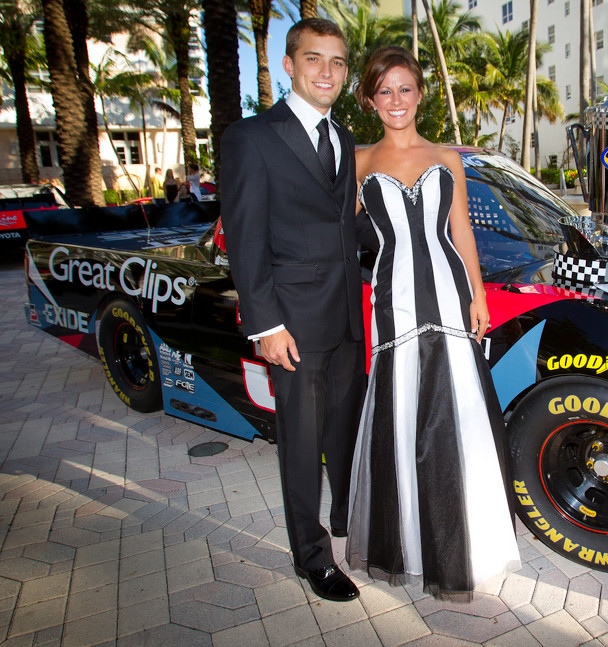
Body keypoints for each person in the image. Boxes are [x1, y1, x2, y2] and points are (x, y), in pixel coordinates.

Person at [347, 45, 520, 600]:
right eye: (384, 90)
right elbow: (329, 236)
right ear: (370, 99)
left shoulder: (447, 157)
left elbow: (461, 229)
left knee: (457, 415)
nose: (396, 100)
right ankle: (412, 545)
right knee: (403, 419)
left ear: (420, 94)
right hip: (394, 298)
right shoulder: (358, 162)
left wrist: (477, 295)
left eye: (405, 88)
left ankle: (475, 541)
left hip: (449, 296)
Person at [219, 18, 366, 603]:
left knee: (344, 434)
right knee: (303, 449)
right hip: (293, 326)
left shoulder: (344, 137)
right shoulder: (252, 137)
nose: (326, 71)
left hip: (347, 319)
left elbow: (343, 226)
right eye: (314, 59)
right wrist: (266, 324)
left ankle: (349, 521)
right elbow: (246, 238)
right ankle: (312, 558)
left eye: (336, 61)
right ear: (288, 64)